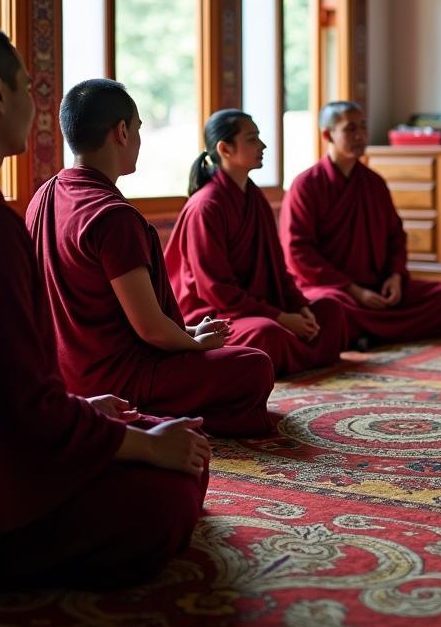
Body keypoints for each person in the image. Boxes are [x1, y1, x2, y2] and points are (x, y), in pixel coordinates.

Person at [0, 22, 211, 603]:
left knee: (148, 440)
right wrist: (146, 445)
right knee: (172, 486)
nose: (36, 105)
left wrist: (79, 410)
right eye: (28, 87)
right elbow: (22, 414)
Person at [26, 80, 274, 437]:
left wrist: (187, 330)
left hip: (62, 374)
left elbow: (118, 316)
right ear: (122, 132)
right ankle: (143, 418)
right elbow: (150, 329)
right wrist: (193, 343)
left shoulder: (44, 195)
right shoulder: (112, 216)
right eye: (139, 128)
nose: (140, 140)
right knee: (254, 365)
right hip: (119, 378)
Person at [165, 110, 348, 376]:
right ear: (225, 149)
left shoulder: (255, 198)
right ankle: (296, 354)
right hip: (216, 315)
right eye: (252, 139)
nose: (262, 146)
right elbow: (216, 290)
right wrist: (282, 318)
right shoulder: (205, 207)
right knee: (267, 334)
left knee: (329, 310)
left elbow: (278, 267)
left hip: (262, 307)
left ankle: (289, 356)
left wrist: (299, 307)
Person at [281, 101, 441, 347]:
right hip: (335, 288)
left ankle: (363, 335)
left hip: (376, 283)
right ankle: (378, 330)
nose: (360, 136)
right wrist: (354, 290)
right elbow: (298, 252)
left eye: (363, 127)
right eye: (350, 129)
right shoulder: (306, 186)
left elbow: (395, 236)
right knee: (330, 308)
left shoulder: (374, 183)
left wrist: (395, 277)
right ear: (327, 134)